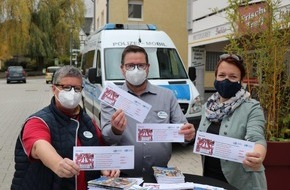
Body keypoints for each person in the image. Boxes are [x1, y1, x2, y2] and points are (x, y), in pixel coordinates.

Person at [11, 65, 119, 190]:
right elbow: (39, 146)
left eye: (77, 89)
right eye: (66, 88)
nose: (72, 93)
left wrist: (107, 165)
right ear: (54, 89)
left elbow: (100, 149)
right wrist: (58, 164)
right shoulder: (38, 121)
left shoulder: (87, 121)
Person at [101, 45, 195, 178]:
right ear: (122, 69)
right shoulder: (112, 97)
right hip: (122, 176)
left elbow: (183, 131)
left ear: (148, 68)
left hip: (160, 176)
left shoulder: (167, 96)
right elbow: (107, 137)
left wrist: (188, 135)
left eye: (141, 65)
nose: (136, 70)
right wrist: (115, 130)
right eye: (130, 66)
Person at [198, 54, 267, 190]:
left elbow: (257, 138)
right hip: (210, 180)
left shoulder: (252, 107)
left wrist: (258, 156)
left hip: (242, 183)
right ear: (216, 77)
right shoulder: (207, 107)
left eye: (233, 77)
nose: (226, 80)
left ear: (241, 81)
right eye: (222, 75)